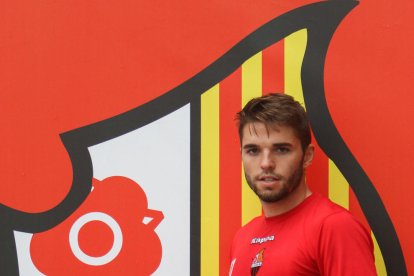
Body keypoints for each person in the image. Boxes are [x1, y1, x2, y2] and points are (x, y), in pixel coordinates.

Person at [229, 93, 377, 276]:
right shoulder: (242, 237)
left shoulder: (334, 227)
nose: (266, 163)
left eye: (281, 149)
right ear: (241, 155)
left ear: (307, 156)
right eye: (253, 150)